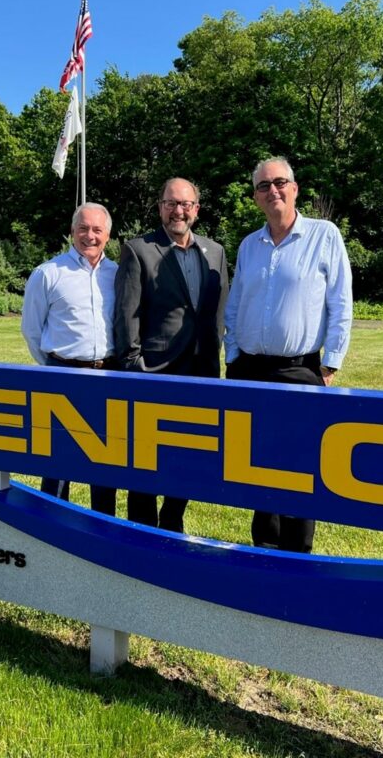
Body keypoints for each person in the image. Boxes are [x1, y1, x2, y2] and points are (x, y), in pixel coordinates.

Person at [224, 157, 353, 553]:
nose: (272, 190)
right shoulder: (250, 244)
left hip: (298, 370)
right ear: (256, 197)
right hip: (248, 369)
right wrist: (231, 355)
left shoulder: (324, 235)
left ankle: (298, 554)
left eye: (280, 182)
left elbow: (341, 301)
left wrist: (330, 360)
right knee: (257, 465)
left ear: (295, 188)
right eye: (263, 186)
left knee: (299, 467)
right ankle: (264, 548)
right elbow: (235, 303)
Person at [114, 177, 229, 532]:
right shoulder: (139, 249)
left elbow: (219, 311)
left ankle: (173, 518)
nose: (178, 210)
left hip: (201, 373)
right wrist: (135, 366)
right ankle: (142, 528)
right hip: (155, 372)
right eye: (170, 203)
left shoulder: (216, 251)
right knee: (146, 458)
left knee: (190, 455)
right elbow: (126, 314)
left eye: (185, 204)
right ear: (160, 206)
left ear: (196, 209)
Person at [22, 202, 118, 516]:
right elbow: (32, 331)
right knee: (59, 459)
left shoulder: (118, 275)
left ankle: (104, 526)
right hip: (63, 373)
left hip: (108, 375)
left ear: (108, 234)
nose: (89, 236)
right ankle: (53, 524)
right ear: (72, 231)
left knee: (106, 459)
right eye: (83, 228)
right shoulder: (48, 273)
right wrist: (55, 367)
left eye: (97, 229)